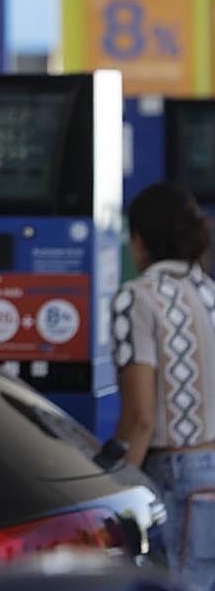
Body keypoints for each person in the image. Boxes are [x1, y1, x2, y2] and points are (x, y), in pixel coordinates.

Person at [111, 181, 215, 590]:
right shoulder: (210, 294)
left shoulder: (137, 298)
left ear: (138, 241)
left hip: (176, 477)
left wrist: (118, 489)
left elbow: (140, 420)